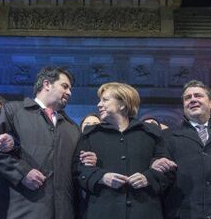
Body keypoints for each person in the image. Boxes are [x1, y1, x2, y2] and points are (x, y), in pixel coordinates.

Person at [0, 66, 96, 219]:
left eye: (70, 89)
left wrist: (88, 162)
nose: (69, 92)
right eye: (65, 86)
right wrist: (22, 173)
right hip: (21, 211)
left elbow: (77, 170)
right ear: (47, 84)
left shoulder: (72, 128)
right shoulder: (13, 111)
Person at [74, 82, 171, 219]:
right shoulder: (90, 135)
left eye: (105, 100)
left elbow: (168, 171)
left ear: (123, 104)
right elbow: (77, 171)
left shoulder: (151, 133)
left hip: (144, 212)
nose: (99, 105)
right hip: (103, 212)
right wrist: (102, 177)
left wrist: (148, 178)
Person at [151, 80, 211, 218]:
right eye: (187, 98)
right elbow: (162, 179)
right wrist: (154, 165)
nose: (193, 100)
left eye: (198, 96)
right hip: (184, 213)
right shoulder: (166, 136)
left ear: (210, 102)